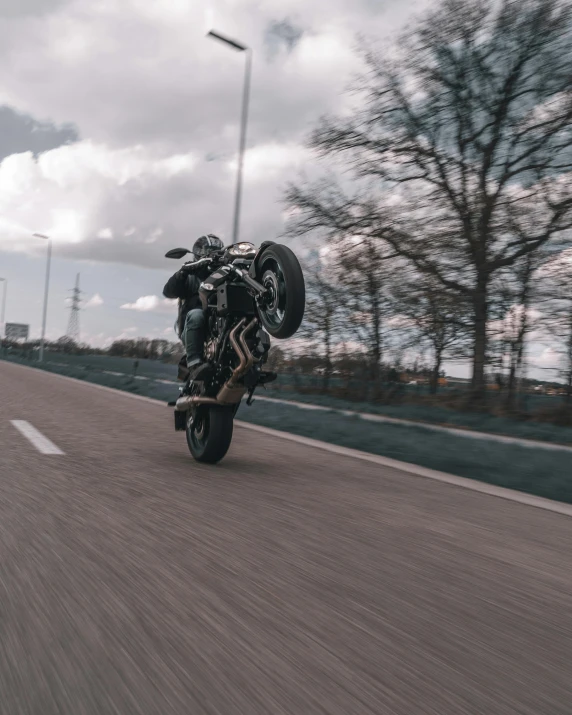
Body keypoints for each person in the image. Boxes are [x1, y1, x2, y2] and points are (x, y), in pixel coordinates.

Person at [163, 234, 224, 376]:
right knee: (197, 315)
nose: (212, 254)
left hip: (218, 328)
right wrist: (182, 272)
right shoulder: (190, 276)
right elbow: (168, 292)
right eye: (207, 251)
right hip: (192, 329)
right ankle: (194, 363)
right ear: (197, 253)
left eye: (216, 251)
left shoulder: (224, 277)